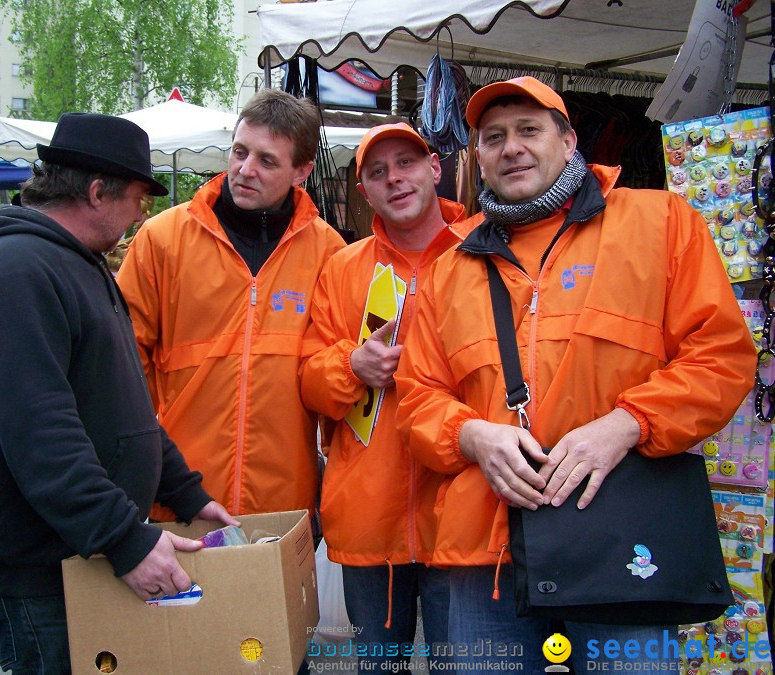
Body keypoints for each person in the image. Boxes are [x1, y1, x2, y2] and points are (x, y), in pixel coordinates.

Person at [394, 76, 757, 672]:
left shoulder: (661, 222)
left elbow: (721, 354)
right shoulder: (447, 268)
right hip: (486, 560)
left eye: (529, 130)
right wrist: (472, 435)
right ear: (477, 158)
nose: (511, 147)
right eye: (493, 137)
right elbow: (417, 397)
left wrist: (628, 423)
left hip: (622, 544)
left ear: (569, 142)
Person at [0, 113, 237, 674]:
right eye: (137, 197)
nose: (142, 213)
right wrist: (123, 539)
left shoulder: (79, 264)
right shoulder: (18, 270)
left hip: (81, 553)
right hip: (43, 571)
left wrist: (183, 490)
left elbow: (120, 401)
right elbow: (41, 435)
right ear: (96, 190)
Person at [116, 90, 346, 520]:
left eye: (267, 160)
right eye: (240, 152)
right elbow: (124, 362)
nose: (245, 169)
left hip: (282, 503)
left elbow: (333, 379)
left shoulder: (329, 252)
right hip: (180, 493)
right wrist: (147, 461)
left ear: (302, 171)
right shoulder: (163, 238)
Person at [299, 123, 470, 672]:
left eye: (406, 163)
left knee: (463, 664)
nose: (395, 179)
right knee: (378, 667)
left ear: (434, 169)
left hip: (461, 515)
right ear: (364, 191)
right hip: (369, 518)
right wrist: (352, 364)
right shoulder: (344, 269)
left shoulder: (484, 254)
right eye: (378, 172)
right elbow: (309, 379)